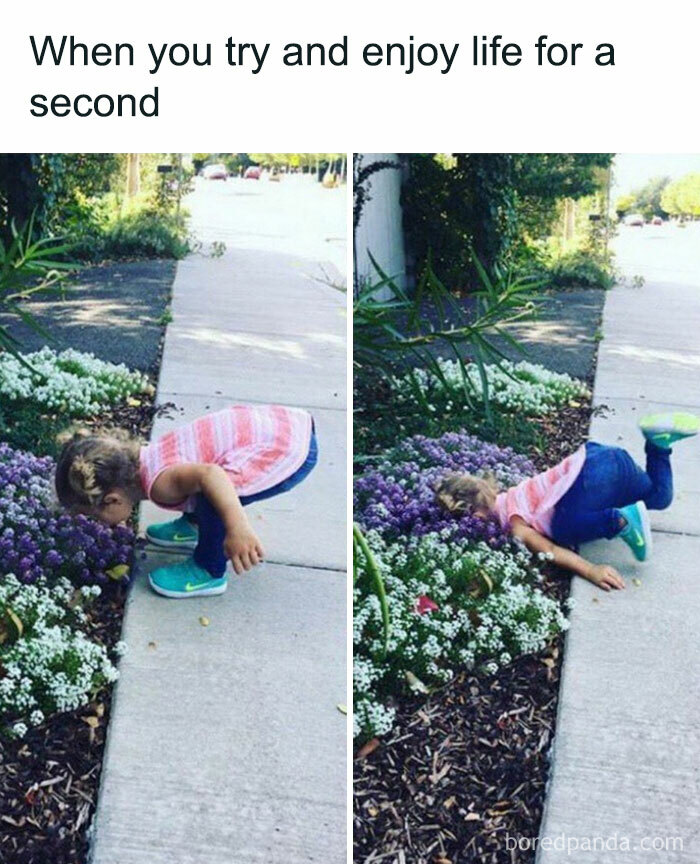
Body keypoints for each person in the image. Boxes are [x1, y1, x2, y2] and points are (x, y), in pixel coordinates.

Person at [55, 405, 317, 598]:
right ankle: (192, 525)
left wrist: (238, 528)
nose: (96, 524)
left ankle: (209, 569)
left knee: (215, 498)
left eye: (92, 516)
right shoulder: (148, 458)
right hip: (287, 426)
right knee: (203, 486)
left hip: (286, 451)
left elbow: (212, 476)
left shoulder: (161, 485)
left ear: (112, 500)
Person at [435, 413, 699, 592]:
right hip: (607, 459)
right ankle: (658, 442)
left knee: (561, 528)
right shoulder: (516, 494)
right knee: (659, 497)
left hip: (593, 476)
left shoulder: (515, 524)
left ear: (475, 516)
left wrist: (590, 570)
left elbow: (549, 549)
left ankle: (621, 520)